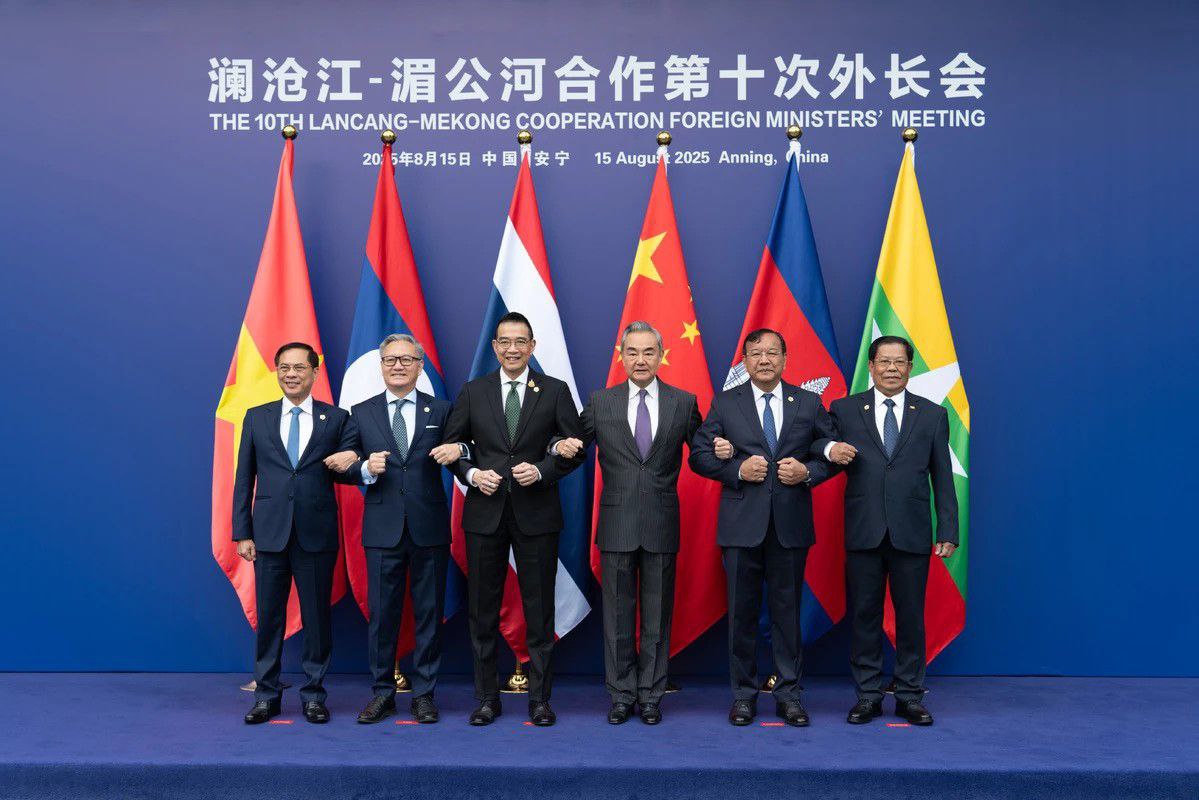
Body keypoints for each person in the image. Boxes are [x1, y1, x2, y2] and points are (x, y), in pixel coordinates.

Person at [435, 312, 583, 727]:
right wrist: (470, 474)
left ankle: (540, 700)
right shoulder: (474, 391)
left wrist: (543, 470)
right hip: (485, 514)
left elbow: (575, 448)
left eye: (521, 342)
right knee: (482, 611)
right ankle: (486, 698)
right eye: (505, 342)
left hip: (537, 515)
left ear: (532, 346)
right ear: (495, 347)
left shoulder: (554, 391)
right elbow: (452, 447)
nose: (513, 349)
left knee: (540, 611)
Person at [553, 321, 702, 725]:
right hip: (616, 523)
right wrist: (555, 450)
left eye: (648, 352)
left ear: (661, 355)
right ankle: (621, 695)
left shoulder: (683, 402)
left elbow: (703, 454)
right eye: (632, 352)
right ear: (621, 356)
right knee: (618, 617)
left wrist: (729, 457)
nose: (640, 359)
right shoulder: (601, 402)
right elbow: (572, 446)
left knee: (657, 617)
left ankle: (651, 696)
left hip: (661, 523)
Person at [689, 329, 838, 727]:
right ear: (745, 361)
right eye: (756, 354)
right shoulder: (725, 403)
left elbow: (832, 452)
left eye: (773, 353)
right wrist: (736, 470)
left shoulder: (807, 402)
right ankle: (743, 696)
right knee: (742, 614)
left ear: (785, 359)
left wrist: (808, 472)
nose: (765, 360)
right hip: (741, 527)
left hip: (790, 527)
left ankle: (789, 695)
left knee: (787, 615)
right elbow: (699, 455)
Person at [816, 335, 958, 726]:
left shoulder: (932, 415)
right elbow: (818, 443)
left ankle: (910, 695)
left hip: (912, 532)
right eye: (884, 361)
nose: (892, 368)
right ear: (872, 366)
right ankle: (868, 696)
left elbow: (942, 477)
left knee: (911, 617)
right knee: (865, 616)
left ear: (910, 368)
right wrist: (828, 450)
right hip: (864, 531)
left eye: (899, 362)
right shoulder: (845, 409)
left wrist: (947, 528)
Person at [325, 334, 451, 725]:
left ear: (420, 365)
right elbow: (341, 465)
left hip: (429, 527)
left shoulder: (441, 410)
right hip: (382, 529)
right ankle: (383, 693)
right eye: (391, 360)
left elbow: (461, 452)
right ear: (381, 366)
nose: (398, 366)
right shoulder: (361, 412)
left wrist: (462, 452)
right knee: (382, 616)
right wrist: (364, 469)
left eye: (406, 359)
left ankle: (425, 695)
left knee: (429, 614)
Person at [232, 342, 359, 725]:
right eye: (284, 367)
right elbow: (244, 478)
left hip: (316, 534)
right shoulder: (257, 417)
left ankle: (314, 696)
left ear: (314, 372)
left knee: (317, 620)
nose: (291, 374)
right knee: (269, 618)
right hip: (268, 534)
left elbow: (349, 468)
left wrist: (357, 459)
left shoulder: (336, 419)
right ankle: (266, 696)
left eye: (299, 367)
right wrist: (242, 532)